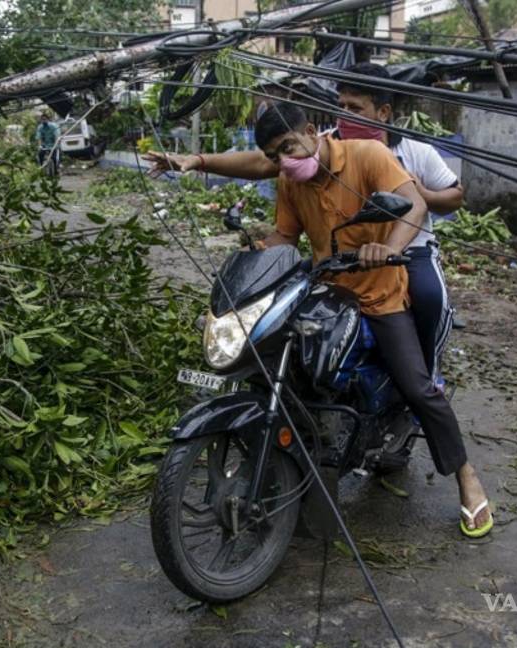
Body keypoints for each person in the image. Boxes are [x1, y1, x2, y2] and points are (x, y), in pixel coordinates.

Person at [251, 102, 492, 538]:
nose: (283, 162)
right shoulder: (291, 182)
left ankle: (466, 477)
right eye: (274, 157)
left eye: (287, 147)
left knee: (418, 386)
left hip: (380, 293)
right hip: (326, 292)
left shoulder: (367, 155)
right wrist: (258, 249)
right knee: (287, 368)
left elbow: (415, 205)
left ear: (311, 131)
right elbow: (286, 236)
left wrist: (388, 246)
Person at [144, 63, 462, 382]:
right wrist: (198, 161)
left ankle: (426, 367)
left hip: (404, 249)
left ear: (383, 112)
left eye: (356, 108)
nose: (345, 115)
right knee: (284, 295)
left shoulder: (408, 151)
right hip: (339, 254)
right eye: (341, 107)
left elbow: (449, 197)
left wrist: (415, 193)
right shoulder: (319, 146)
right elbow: (262, 163)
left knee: (427, 297)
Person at [34, 110, 61, 177]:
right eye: (42, 120)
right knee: (40, 155)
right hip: (45, 145)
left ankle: (56, 170)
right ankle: (41, 168)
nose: (43, 121)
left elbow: (56, 136)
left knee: (55, 158)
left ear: (48, 119)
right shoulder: (40, 127)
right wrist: (39, 145)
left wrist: (55, 145)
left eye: (45, 119)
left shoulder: (53, 126)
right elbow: (39, 137)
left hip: (54, 144)